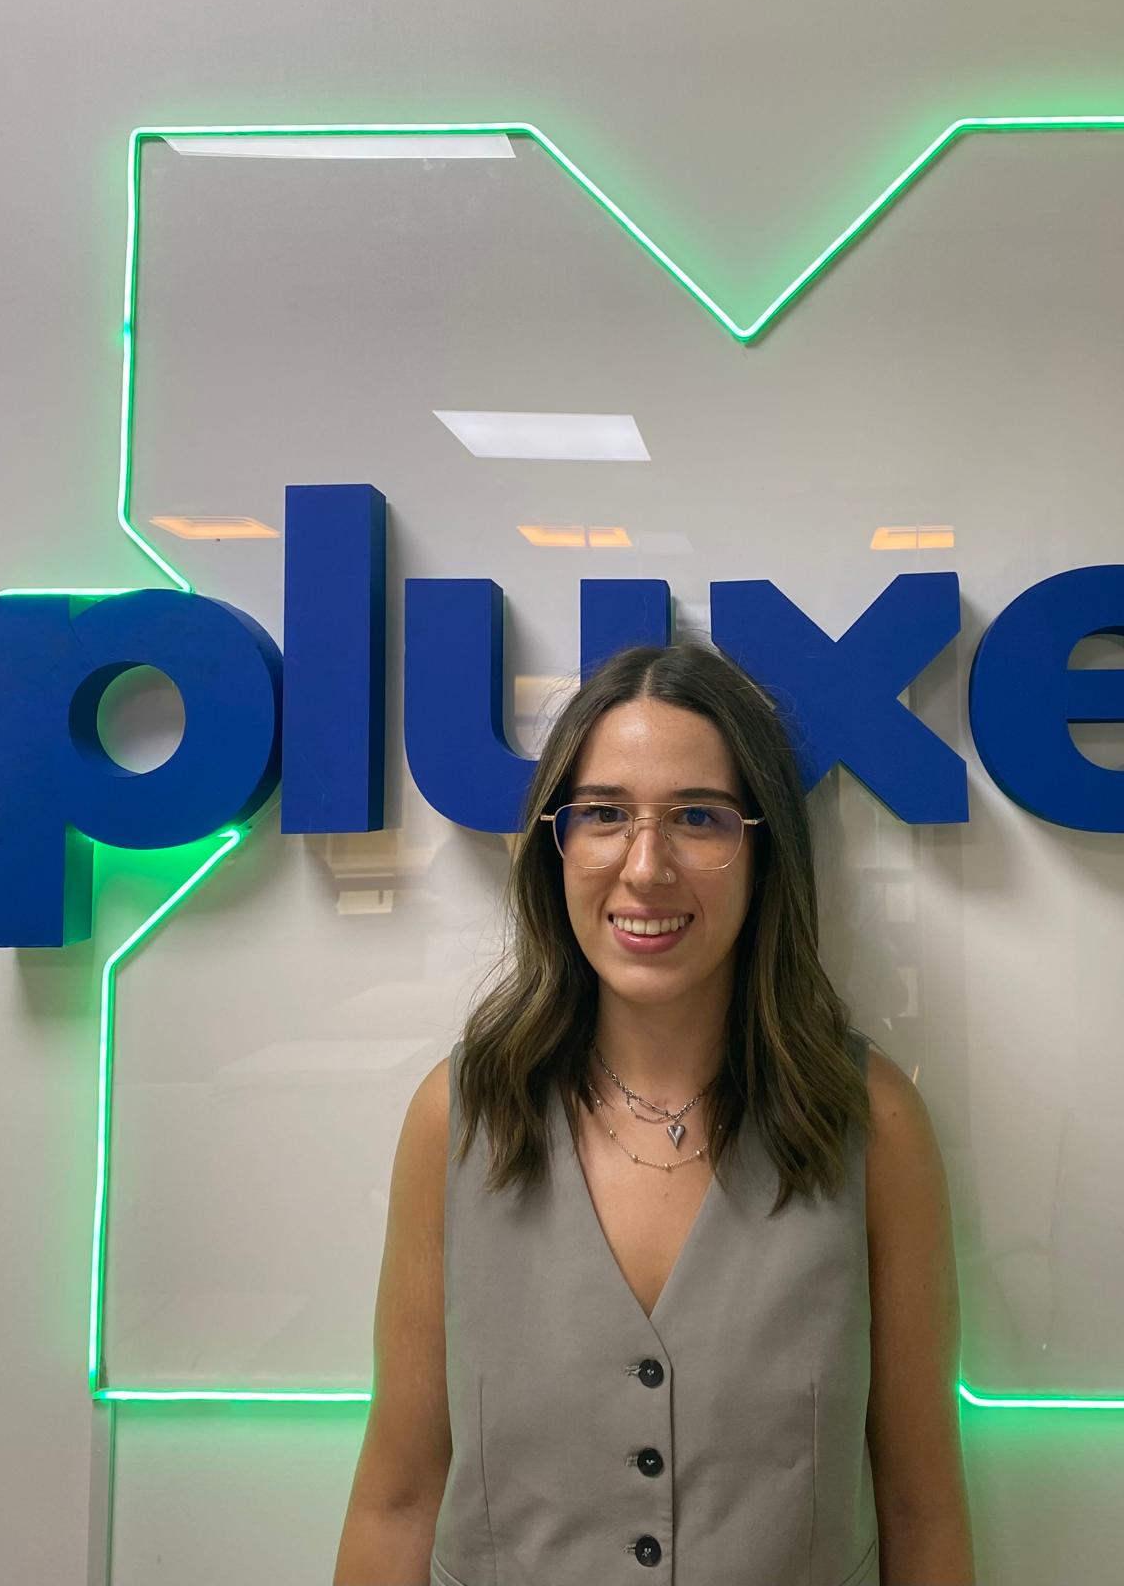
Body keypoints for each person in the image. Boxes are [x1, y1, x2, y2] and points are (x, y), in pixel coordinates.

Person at [333, 640, 975, 1585]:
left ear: (762, 850)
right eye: (603, 814)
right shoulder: (460, 1119)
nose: (644, 867)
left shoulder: (871, 1123)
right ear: (556, 844)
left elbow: (921, 1512)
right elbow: (396, 1502)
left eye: (698, 818)